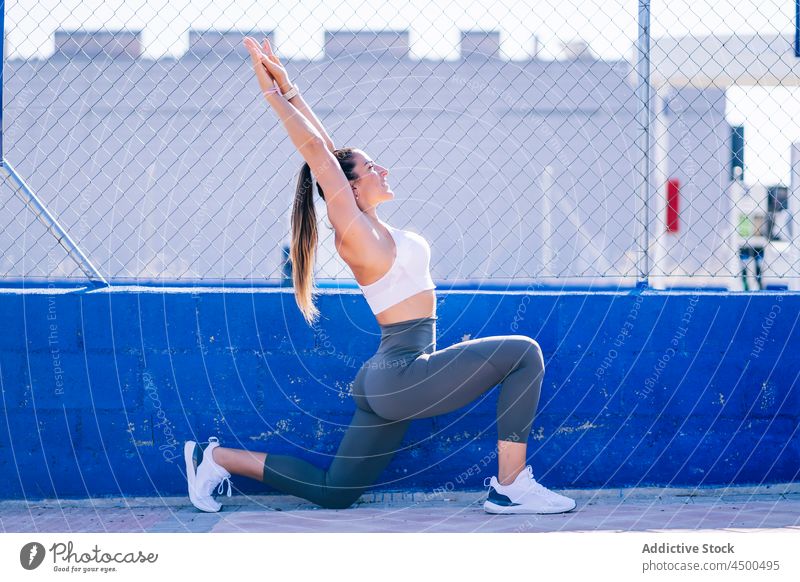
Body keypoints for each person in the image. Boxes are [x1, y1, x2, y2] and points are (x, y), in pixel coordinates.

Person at [183, 36, 576, 515]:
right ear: (349, 186)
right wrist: (271, 97)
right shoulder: (353, 231)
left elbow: (330, 151)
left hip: (394, 374)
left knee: (337, 491)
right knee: (523, 355)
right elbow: (320, 156)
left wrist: (292, 89)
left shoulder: (372, 226)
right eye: (371, 167)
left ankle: (217, 458)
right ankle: (511, 486)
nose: (383, 169)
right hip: (403, 373)